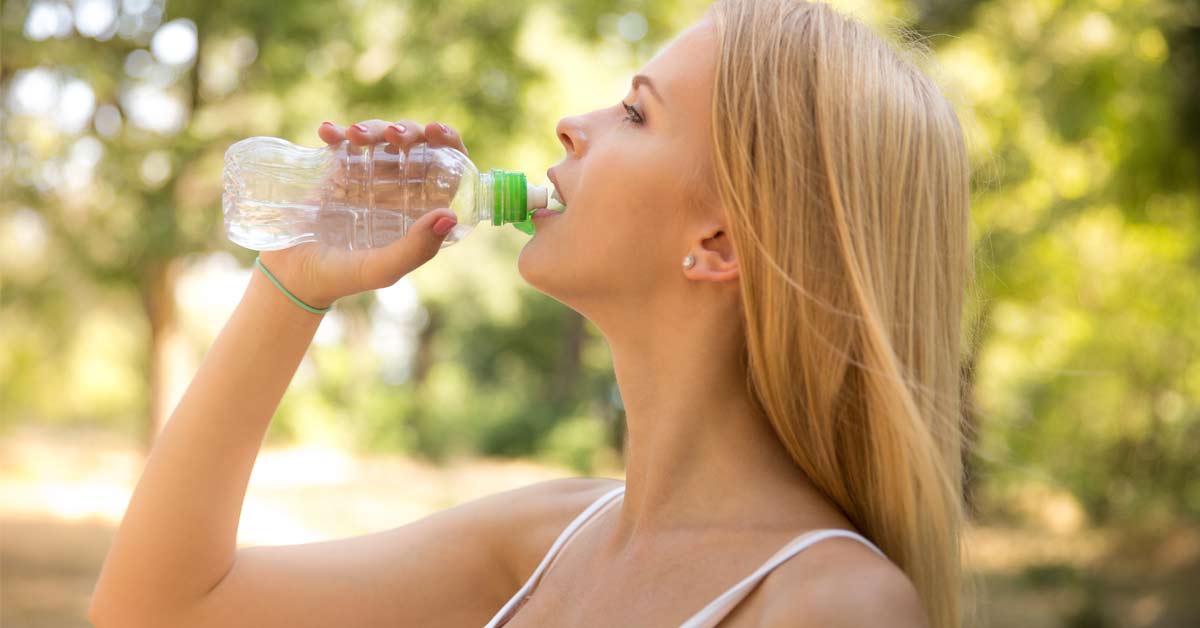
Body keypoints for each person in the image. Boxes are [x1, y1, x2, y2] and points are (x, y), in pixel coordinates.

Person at [89, 1, 974, 626]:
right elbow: (154, 609)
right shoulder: (539, 541)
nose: (568, 124)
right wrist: (294, 281)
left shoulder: (829, 607)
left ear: (719, 243)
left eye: (634, 112)